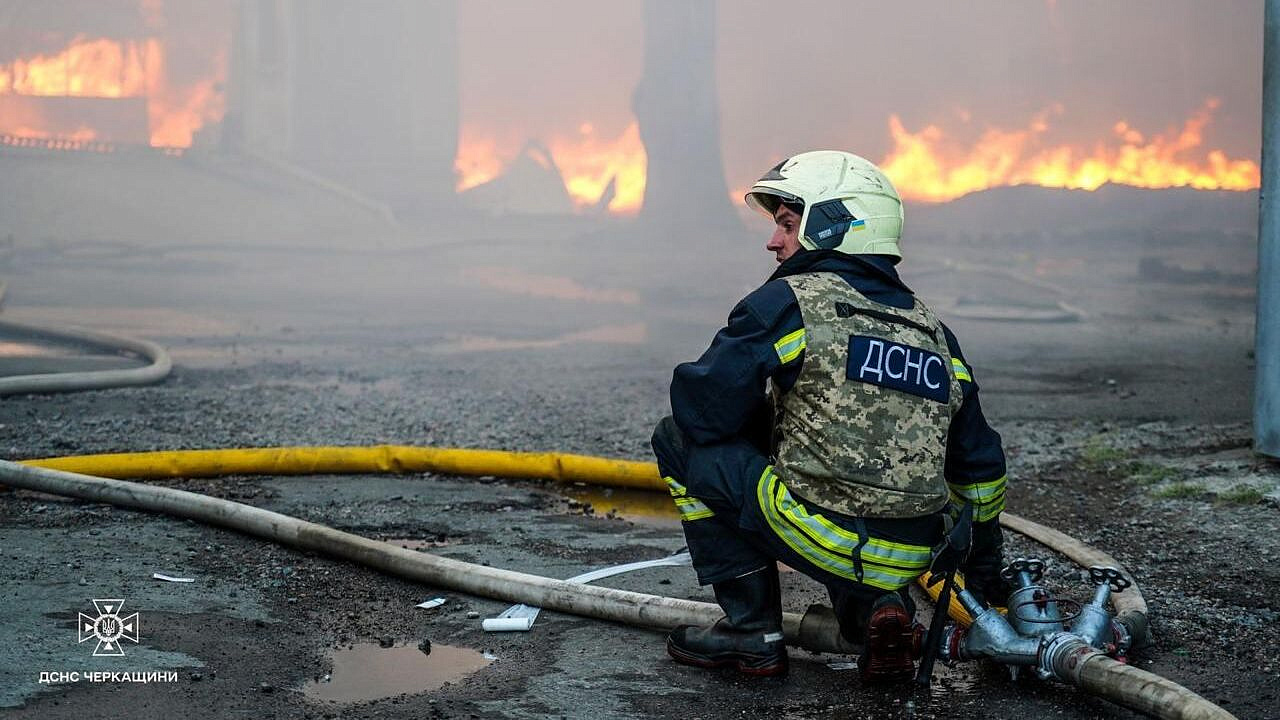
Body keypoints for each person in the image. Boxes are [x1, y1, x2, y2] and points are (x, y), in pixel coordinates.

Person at [651, 150, 1010, 682]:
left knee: (678, 440)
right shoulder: (933, 333)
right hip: (910, 557)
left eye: (788, 224)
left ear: (835, 223)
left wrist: (760, 418)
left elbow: (702, 413)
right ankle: (877, 614)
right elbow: (980, 469)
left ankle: (752, 632)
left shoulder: (790, 304)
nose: (774, 242)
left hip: (825, 536)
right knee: (846, 467)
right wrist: (985, 586)